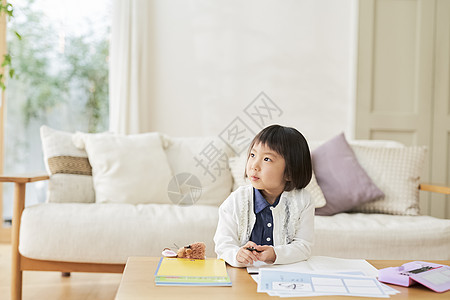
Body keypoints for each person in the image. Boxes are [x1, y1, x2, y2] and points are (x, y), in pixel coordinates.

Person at [214, 124, 314, 267]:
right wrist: (237, 255)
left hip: (284, 276)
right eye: (253, 155)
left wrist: (275, 254)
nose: (254, 165)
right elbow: (223, 245)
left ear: (289, 172)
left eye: (267, 159)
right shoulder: (236, 201)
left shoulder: (303, 201)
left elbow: (304, 246)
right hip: (243, 277)